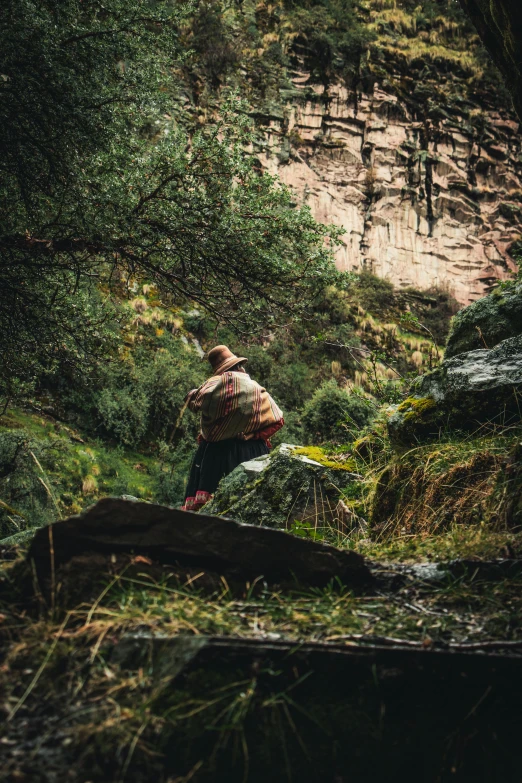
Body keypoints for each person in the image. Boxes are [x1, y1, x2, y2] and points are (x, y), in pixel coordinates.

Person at [181, 345, 284, 512]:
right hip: (250, 453)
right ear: (237, 366)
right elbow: (278, 420)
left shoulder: (210, 391)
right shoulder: (255, 390)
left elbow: (194, 402)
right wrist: (252, 435)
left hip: (214, 455)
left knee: (210, 510)